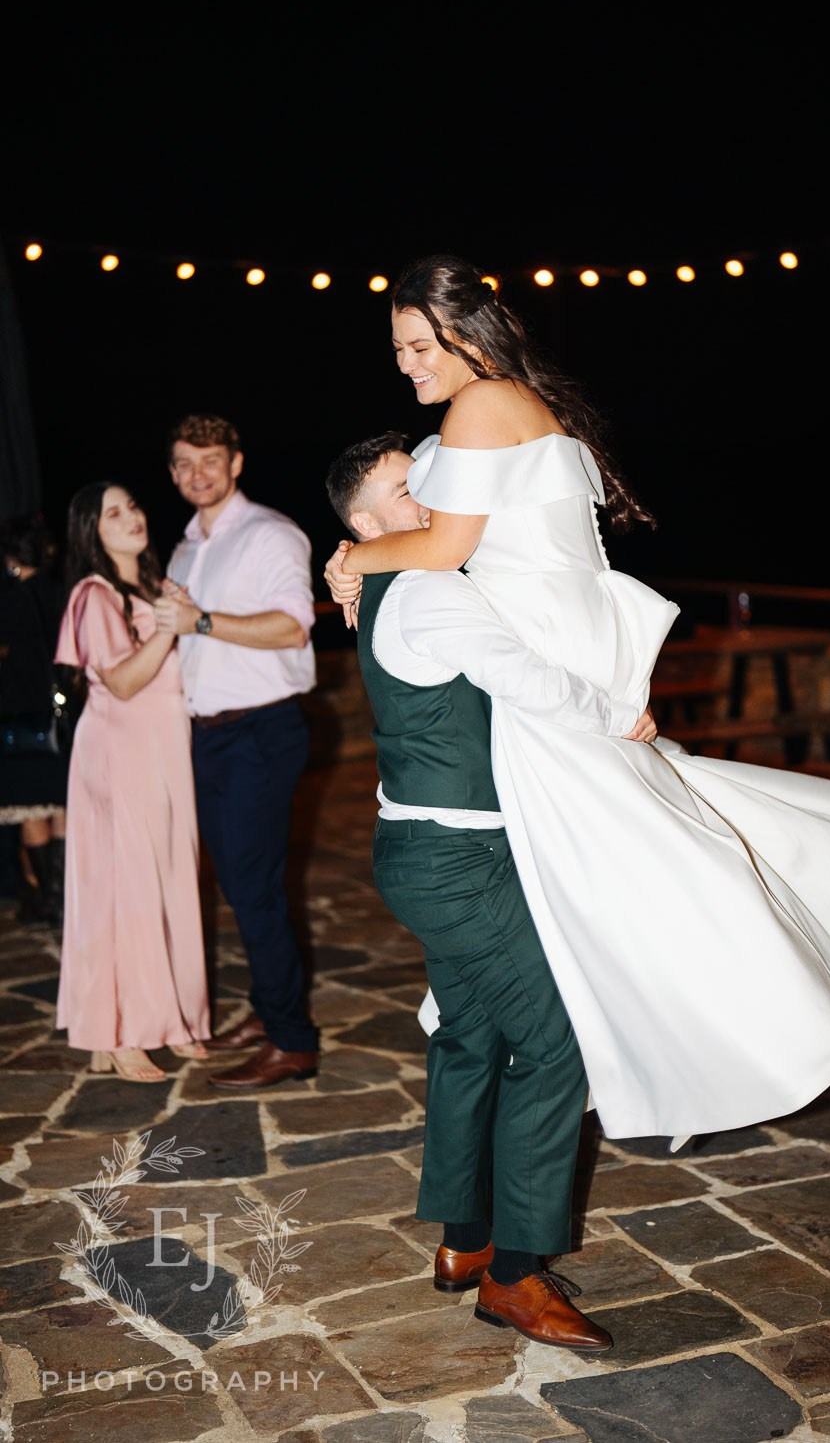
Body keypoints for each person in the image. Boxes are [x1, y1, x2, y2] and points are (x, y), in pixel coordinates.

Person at [325, 252, 830, 1149]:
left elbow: (443, 548)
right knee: (619, 853)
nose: (407, 364)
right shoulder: (513, 403)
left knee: (611, 869)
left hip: (544, 658)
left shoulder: (479, 407)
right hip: (564, 644)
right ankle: (592, 1045)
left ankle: (685, 1035)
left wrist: (351, 557)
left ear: (465, 336)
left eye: (419, 346)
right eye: (399, 349)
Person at [324, 433, 661, 1350]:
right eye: (406, 490)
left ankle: (465, 1240)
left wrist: (349, 565)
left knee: (470, 1038)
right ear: (366, 526)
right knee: (554, 1043)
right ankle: (515, 1278)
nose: (429, 494)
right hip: (457, 864)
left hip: (427, 851)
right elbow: (526, 679)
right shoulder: (425, 590)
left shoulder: (398, 580)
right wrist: (618, 716)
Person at [155, 412, 319, 1089]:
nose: (198, 474)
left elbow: (291, 628)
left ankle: (291, 1041)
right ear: (173, 472)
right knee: (241, 885)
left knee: (253, 886)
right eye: (185, 463)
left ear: (236, 463)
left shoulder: (270, 533)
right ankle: (268, 1008)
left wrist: (198, 619)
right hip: (206, 735)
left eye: (210, 461)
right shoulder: (185, 548)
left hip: (260, 730)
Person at [54, 483, 211, 1081]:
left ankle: (173, 1019)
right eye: (113, 513)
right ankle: (120, 1031)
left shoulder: (150, 586)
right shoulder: (94, 594)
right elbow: (120, 682)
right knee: (126, 889)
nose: (132, 518)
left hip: (163, 749)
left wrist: (175, 614)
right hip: (118, 751)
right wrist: (171, 627)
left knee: (169, 879)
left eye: (134, 506)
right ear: (92, 531)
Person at [0, 514, 71, 927]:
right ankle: (64, 899)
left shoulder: (9, 600)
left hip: (20, 717)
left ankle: (48, 897)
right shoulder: (62, 592)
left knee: (30, 810)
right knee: (60, 803)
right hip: (62, 716)